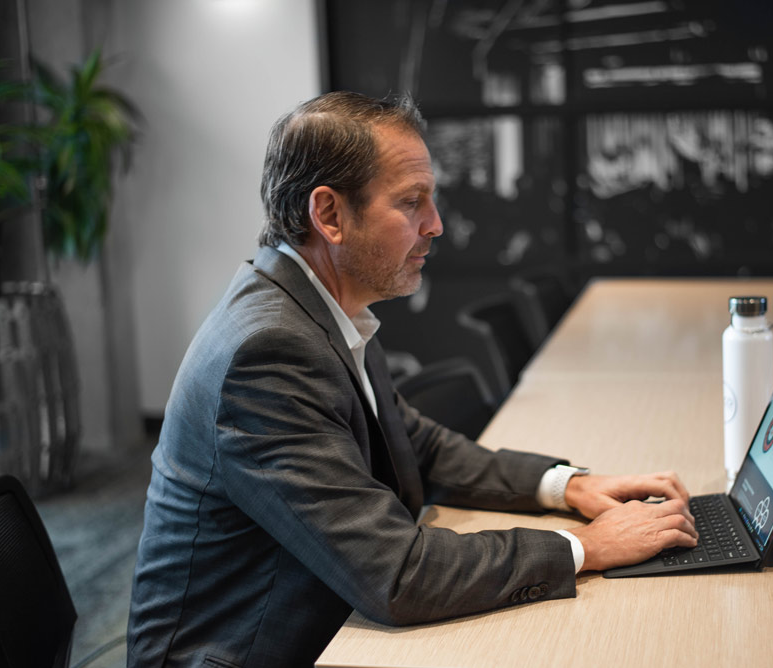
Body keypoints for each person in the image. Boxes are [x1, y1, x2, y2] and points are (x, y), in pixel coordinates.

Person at [126, 91, 698, 668]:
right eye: (411, 202)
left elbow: (415, 444)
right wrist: (586, 547)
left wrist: (566, 487)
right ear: (330, 216)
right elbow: (395, 574)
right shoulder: (268, 352)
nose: (435, 224)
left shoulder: (320, 306)